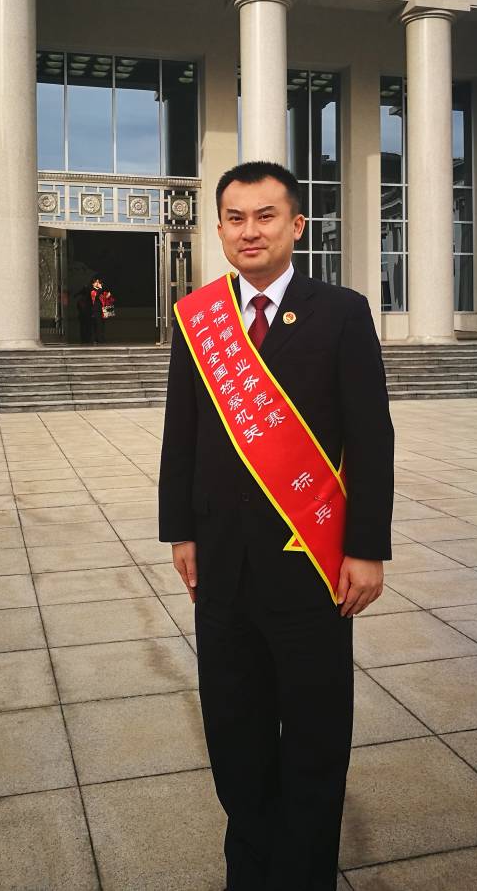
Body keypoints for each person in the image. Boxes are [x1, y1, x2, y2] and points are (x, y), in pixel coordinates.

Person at [158, 161, 394, 891]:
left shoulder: (342, 312)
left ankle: (303, 875)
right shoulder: (200, 317)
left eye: (265, 216)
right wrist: (181, 531)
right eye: (235, 218)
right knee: (236, 736)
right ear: (219, 229)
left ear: (296, 225)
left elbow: (371, 437)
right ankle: (250, 870)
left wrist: (367, 549)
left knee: (315, 740)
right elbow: (181, 433)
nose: (249, 231)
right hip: (221, 567)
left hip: (310, 564)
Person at [89, 275, 114, 344]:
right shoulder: (92, 290)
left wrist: (108, 296)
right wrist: (100, 288)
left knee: (102, 325)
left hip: (103, 310)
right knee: (98, 325)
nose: (97, 283)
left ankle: (101, 339)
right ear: (92, 284)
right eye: (96, 282)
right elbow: (96, 297)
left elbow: (109, 300)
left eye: (99, 282)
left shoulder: (102, 291)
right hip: (96, 311)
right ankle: (98, 339)